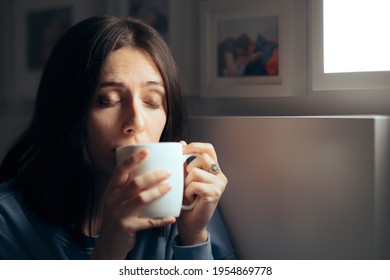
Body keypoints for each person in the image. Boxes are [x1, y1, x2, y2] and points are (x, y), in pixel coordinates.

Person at [0, 15, 235, 260]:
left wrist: (193, 237)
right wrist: (108, 251)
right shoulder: (8, 222)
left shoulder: (187, 201)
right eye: (107, 101)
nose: (136, 121)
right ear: (66, 111)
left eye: (152, 102)